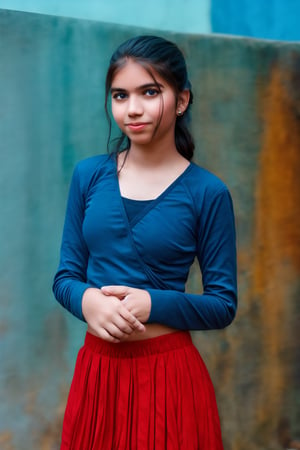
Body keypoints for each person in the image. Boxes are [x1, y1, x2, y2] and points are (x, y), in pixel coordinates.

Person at [53, 35, 237, 450]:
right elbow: (65, 275)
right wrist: (88, 302)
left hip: (169, 378)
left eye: (149, 92)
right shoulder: (88, 176)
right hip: (98, 374)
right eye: (120, 95)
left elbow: (223, 304)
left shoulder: (207, 193)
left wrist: (153, 303)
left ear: (182, 100)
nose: (132, 108)